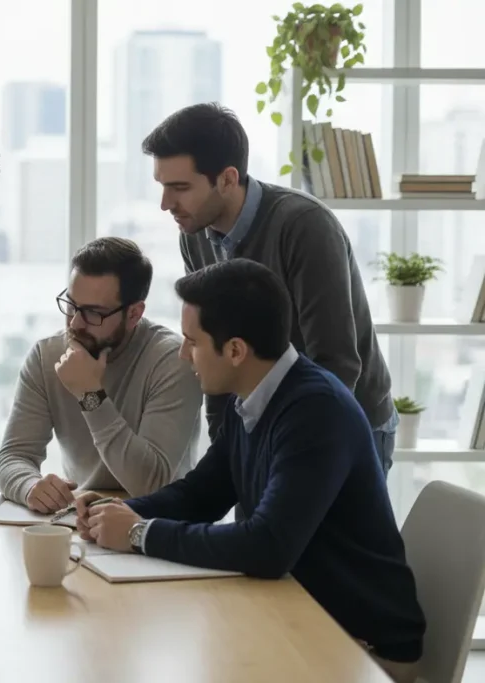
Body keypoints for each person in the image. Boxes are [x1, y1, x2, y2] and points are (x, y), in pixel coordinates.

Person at [76, 258, 425, 683]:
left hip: (363, 644)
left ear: (236, 350)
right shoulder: (253, 398)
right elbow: (200, 495)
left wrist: (137, 533)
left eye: (193, 342)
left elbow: (266, 547)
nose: (184, 355)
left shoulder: (315, 411)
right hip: (303, 611)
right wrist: (119, 513)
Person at [141, 103, 397, 474]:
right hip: (262, 423)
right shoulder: (195, 235)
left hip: (346, 420)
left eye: (180, 188)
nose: (166, 204)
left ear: (227, 179)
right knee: (255, 529)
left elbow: (337, 363)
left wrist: (290, 453)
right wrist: (229, 455)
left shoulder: (305, 228)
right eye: (163, 187)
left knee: (295, 533)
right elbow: (212, 349)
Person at [0, 237, 201, 512]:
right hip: (83, 519)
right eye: (71, 305)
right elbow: (12, 457)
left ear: (134, 314)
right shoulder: (47, 356)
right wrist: (30, 486)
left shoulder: (174, 361)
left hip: (158, 521)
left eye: (94, 313)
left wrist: (90, 394)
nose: (75, 323)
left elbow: (150, 483)